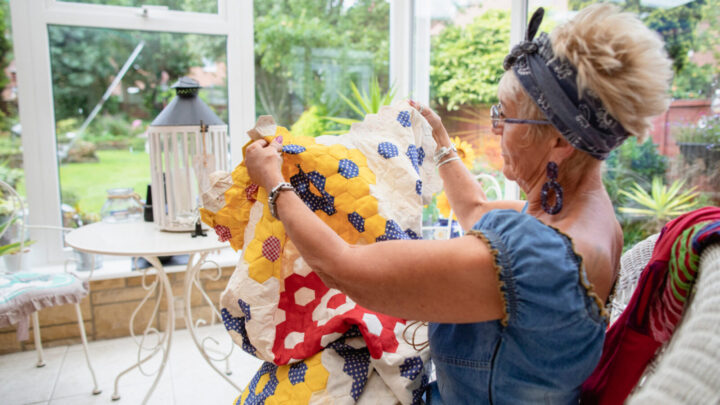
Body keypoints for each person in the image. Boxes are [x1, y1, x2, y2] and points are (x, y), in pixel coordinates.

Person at [243, 4, 672, 404]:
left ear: (559, 139)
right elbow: (477, 212)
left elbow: (343, 267)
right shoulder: (584, 219)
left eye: (504, 116)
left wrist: (275, 182)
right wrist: (442, 144)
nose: (496, 128)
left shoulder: (544, 256)